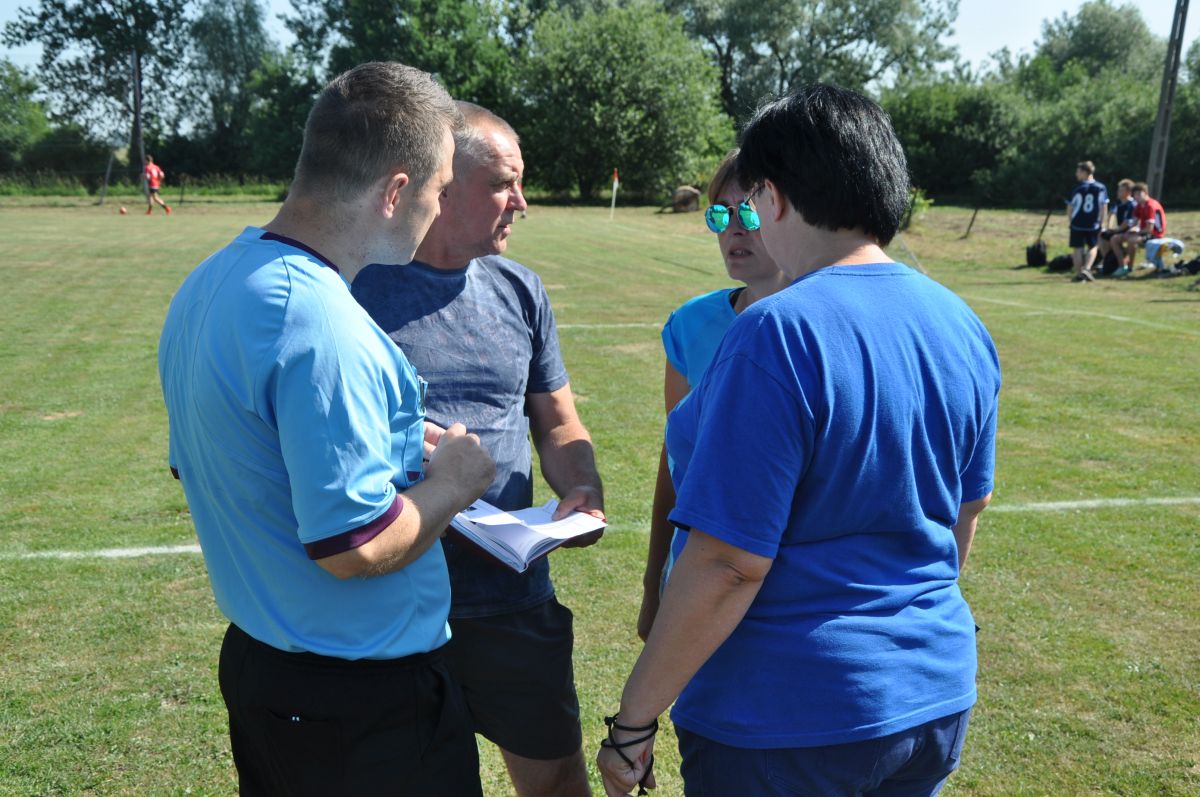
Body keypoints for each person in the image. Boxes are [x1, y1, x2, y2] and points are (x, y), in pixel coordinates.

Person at [597, 85, 999, 797]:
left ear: (774, 197)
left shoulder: (775, 332)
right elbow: (968, 509)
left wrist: (633, 720)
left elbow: (727, 563)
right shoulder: (960, 321)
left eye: (750, 199)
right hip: (931, 695)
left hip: (786, 715)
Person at [158, 63, 496, 796]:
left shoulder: (212, 280)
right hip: (361, 711)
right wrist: (454, 482)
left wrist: (387, 441)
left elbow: (232, 462)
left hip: (268, 675)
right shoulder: (318, 321)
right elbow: (355, 545)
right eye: (440, 190)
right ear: (396, 191)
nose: (440, 210)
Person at [351, 102, 603, 797]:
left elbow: (557, 421)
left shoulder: (520, 289)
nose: (520, 202)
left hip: (512, 599)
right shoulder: (353, 292)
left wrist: (582, 487)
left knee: (555, 781)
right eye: (502, 183)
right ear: (441, 183)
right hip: (396, 602)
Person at [637, 148, 788, 642]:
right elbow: (677, 461)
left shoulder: (819, 327)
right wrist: (654, 582)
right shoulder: (690, 324)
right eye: (721, 214)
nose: (733, 230)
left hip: (785, 592)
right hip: (696, 579)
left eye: (749, 211)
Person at [1112, 181, 1168, 272]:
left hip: (1155, 234)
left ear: (1145, 193)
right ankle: (1122, 265)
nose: (1136, 197)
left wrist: (1136, 232)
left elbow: (1149, 229)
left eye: (1139, 194)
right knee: (1115, 238)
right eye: (1135, 195)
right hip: (1143, 232)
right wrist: (1129, 231)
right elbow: (1133, 222)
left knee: (1132, 240)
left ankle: (1129, 267)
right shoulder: (1139, 205)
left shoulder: (1150, 205)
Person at [1066, 160, 1107, 282]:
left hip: (1077, 223)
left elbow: (1070, 207)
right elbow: (1103, 206)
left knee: (1077, 248)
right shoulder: (1100, 187)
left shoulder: (1077, 188)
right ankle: (1087, 269)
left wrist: (1070, 221)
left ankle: (1079, 274)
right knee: (1093, 246)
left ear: (1085, 172)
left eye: (1078, 172)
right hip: (1093, 223)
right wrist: (1102, 222)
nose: (1076, 174)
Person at [1099, 178, 1136, 276]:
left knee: (1113, 239)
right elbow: (1111, 214)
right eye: (1119, 190)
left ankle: (1122, 266)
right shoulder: (1118, 202)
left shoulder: (1132, 204)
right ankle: (1108, 262)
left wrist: (1115, 230)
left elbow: (1127, 223)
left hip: (1129, 231)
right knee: (1101, 235)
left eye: (1121, 190)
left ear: (1129, 192)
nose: (1118, 192)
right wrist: (1108, 227)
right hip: (1120, 229)